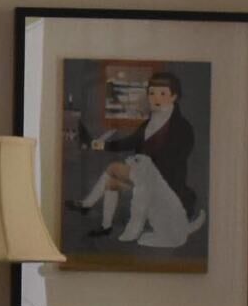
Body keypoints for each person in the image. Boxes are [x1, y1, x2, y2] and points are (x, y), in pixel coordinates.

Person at [80, 69, 201, 252]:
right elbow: (128, 142)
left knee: (113, 168)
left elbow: (175, 161)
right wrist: (102, 145)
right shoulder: (149, 123)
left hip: (165, 185)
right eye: (151, 93)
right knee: (112, 183)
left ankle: (87, 204)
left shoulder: (183, 128)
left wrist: (141, 164)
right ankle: (106, 226)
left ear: (174, 96)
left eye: (162, 93)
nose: (155, 98)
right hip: (143, 177)